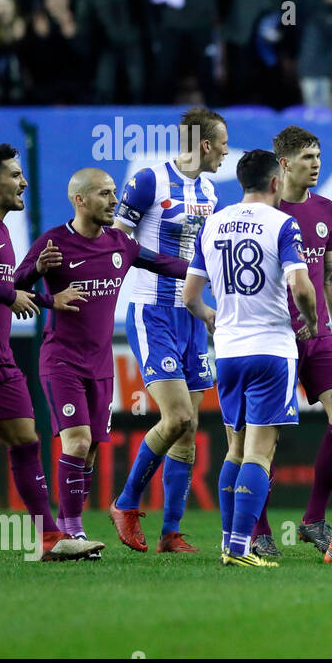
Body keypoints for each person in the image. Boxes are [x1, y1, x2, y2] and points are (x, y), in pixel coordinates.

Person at [0, 144, 101, 563]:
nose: (23, 182)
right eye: (15, 175)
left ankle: (50, 539)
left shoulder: (1, 229)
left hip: (1, 358)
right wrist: (10, 292)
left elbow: (2, 288)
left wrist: (49, 298)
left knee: (25, 439)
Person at [13, 169, 186, 548]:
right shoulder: (54, 242)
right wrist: (39, 274)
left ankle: (69, 522)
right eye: (105, 194)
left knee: (89, 449)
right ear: (80, 200)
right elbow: (12, 286)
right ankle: (70, 528)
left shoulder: (120, 243)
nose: (114, 201)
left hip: (100, 365)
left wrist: (210, 273)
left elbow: (165, 265)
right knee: (76, 441)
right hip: (61, 360)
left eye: (114, 193)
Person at [182, 149, 318, 569]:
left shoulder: (213, 222)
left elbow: (189, 296)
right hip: (271, 349)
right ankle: (240, 548)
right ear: (277, 181)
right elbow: (301, 286)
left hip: (228, 351)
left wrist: (213, 319)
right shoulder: (283, 224)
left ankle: (228, 543)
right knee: (261, 453)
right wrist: (311, 322)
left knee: (234, 451)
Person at [110, 107, 226, 553]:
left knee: (190, 424)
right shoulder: (148, 180)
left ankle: (170, 533)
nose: (226, 151)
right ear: (203, 145)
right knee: (175, 417)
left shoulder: (212, 192)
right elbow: (118, 242)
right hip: (151, 310)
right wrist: (179, 268)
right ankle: (126, 502)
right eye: (221, 143)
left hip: (192, 315)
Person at [247, 126, 332, 558]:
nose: (316, 164)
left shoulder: (326, 208)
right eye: (308, 157)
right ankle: (259, 529)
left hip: (319, 334)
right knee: (265, 436)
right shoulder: (264, 211)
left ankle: (312, 519)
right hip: (274, 336)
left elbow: (330, 272)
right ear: (284, 163)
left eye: (319, 156)